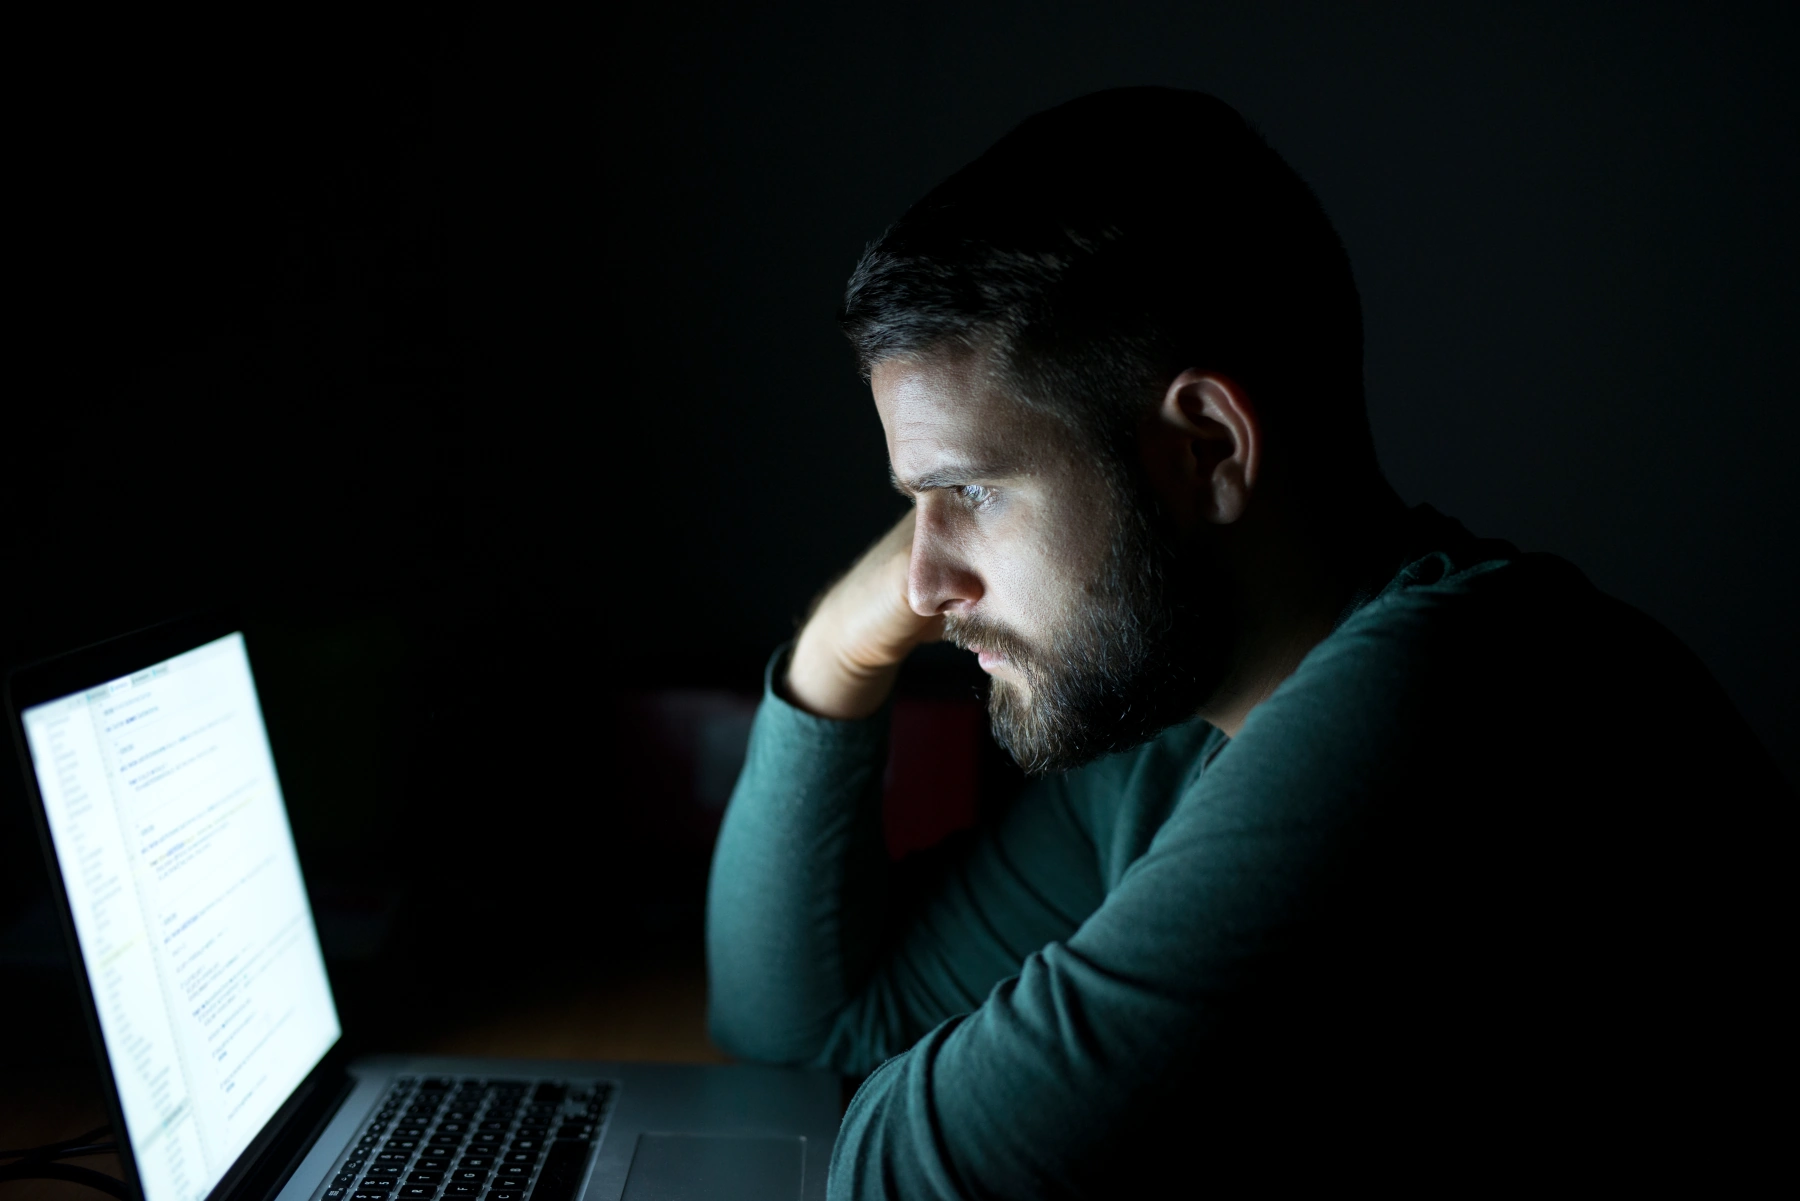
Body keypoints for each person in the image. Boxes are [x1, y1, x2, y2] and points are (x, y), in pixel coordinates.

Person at [704, 88, 1787, 1197]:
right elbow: (803, 1029)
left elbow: (920, 1178)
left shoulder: (1454, 695)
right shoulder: (1167, 720)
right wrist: (843, 644)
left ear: (1208, 449)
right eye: (914, 507)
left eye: (972, 490)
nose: (924, 584)